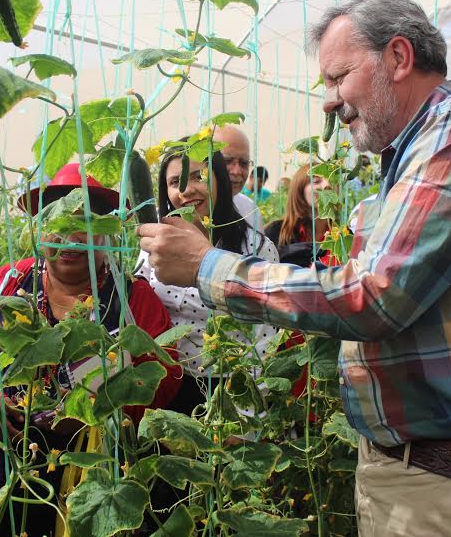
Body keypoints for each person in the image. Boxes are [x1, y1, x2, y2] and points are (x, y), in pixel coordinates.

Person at [138, 0, 451, 536]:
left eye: (338, 78)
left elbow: (375, 297)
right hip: (426, 473)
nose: (329, 102)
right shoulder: (407, 159)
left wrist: (208, 266)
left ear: (399, 58)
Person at [0, 163, 179, 535]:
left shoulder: (132, 299)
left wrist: (95, 414)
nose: (70, 236)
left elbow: (162, 379)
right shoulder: (6, 285)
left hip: (99, 457)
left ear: (105, 232)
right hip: (12, 449)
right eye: (57, 222)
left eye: (85, 222)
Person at [137, 142, 278, 413]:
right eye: (175, 181)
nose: (186, 190)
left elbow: (266, 337)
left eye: (197, 177)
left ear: (219, 182)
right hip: (168, 386)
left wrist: (248, 411)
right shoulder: (155, 243)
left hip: (232, 389)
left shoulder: (256, 248)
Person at [263, 164, 334, 268]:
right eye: (316, 181)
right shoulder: (275, 233)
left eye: (332, 180)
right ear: (299, 190)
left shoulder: (344, 235)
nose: (327, 185)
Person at [213, 124, 264, 232]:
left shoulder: (250, 210)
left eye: (244, 163)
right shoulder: (186, 209)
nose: (237, 171)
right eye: (227, 161)